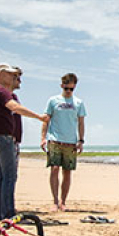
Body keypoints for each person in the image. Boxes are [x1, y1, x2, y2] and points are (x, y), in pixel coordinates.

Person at [0, 64, 47, 221]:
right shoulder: (0, 91)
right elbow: (14, 107)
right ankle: (8, 213)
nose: (14, 77)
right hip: (2, 138)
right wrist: (38, 117)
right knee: (9, 176)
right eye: (10, 74)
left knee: (1, 175)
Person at [43, 72, 85, 211]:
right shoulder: (53, 100)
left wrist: (81, 140)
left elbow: (81, 122)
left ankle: (63, 201)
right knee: (54, 169)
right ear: (62, 86)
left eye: (71, 89)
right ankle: (54, 201)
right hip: (55, 140)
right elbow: (46, 120)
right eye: (66, 88)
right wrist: (43, 138)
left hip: (71, 142)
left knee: (67, 172)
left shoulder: (78, 103)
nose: (68, 91)